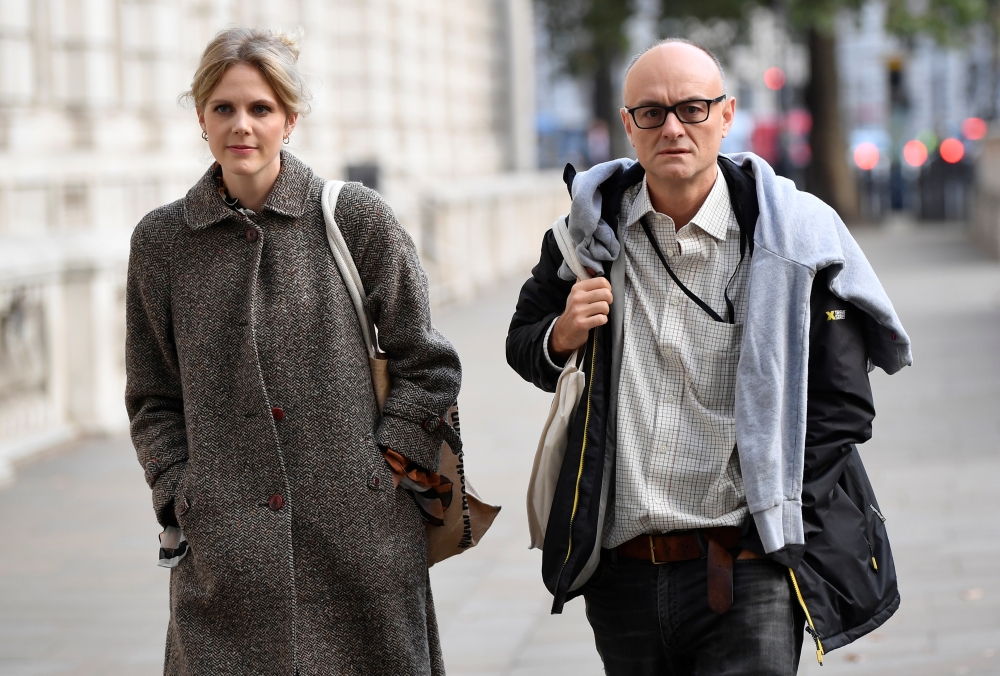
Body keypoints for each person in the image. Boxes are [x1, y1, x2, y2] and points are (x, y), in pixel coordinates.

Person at [507, 39, 911, 674]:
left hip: (744, 572)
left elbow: (842, 409)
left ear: (726, 115)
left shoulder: (794, 237)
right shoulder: (585, 238)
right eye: (651, 112)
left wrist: (769, 523)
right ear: (627, 126)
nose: (672, 127)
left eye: (692, 108)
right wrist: (560, 334)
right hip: (623, 576)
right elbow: (522, 344)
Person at [125, 27, 461, 676]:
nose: (241, 125)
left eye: (260, 108)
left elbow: (428, 362)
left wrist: (382, 471)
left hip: (360, 547)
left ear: (290, 118)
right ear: (201, 118)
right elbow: (151, 393)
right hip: (225, 561)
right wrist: (182, 493)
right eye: (223, 108)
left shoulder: (355, 219)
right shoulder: (162, 242)